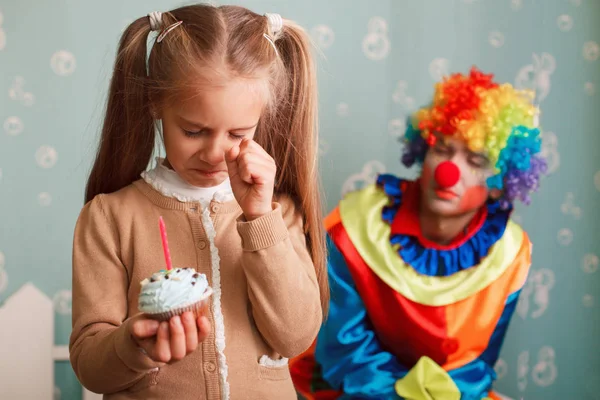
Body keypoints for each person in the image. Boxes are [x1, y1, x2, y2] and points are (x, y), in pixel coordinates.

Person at [69, 4, 328, 399]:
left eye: (238, 133)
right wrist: (134, 345)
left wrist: (260, 219)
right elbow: (91, 365)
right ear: (156, 105)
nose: (214, 153)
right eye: (193, 131)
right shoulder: (111, 217)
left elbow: (295, 337)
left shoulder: (279, 214)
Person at [290, 67, 547, 400]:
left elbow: (477, 364)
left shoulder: (510, 253)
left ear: (500, 184)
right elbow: (344, 349)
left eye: (475, 159)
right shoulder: (355, 226)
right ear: (423, 151)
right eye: (441, 149)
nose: (449, 172)